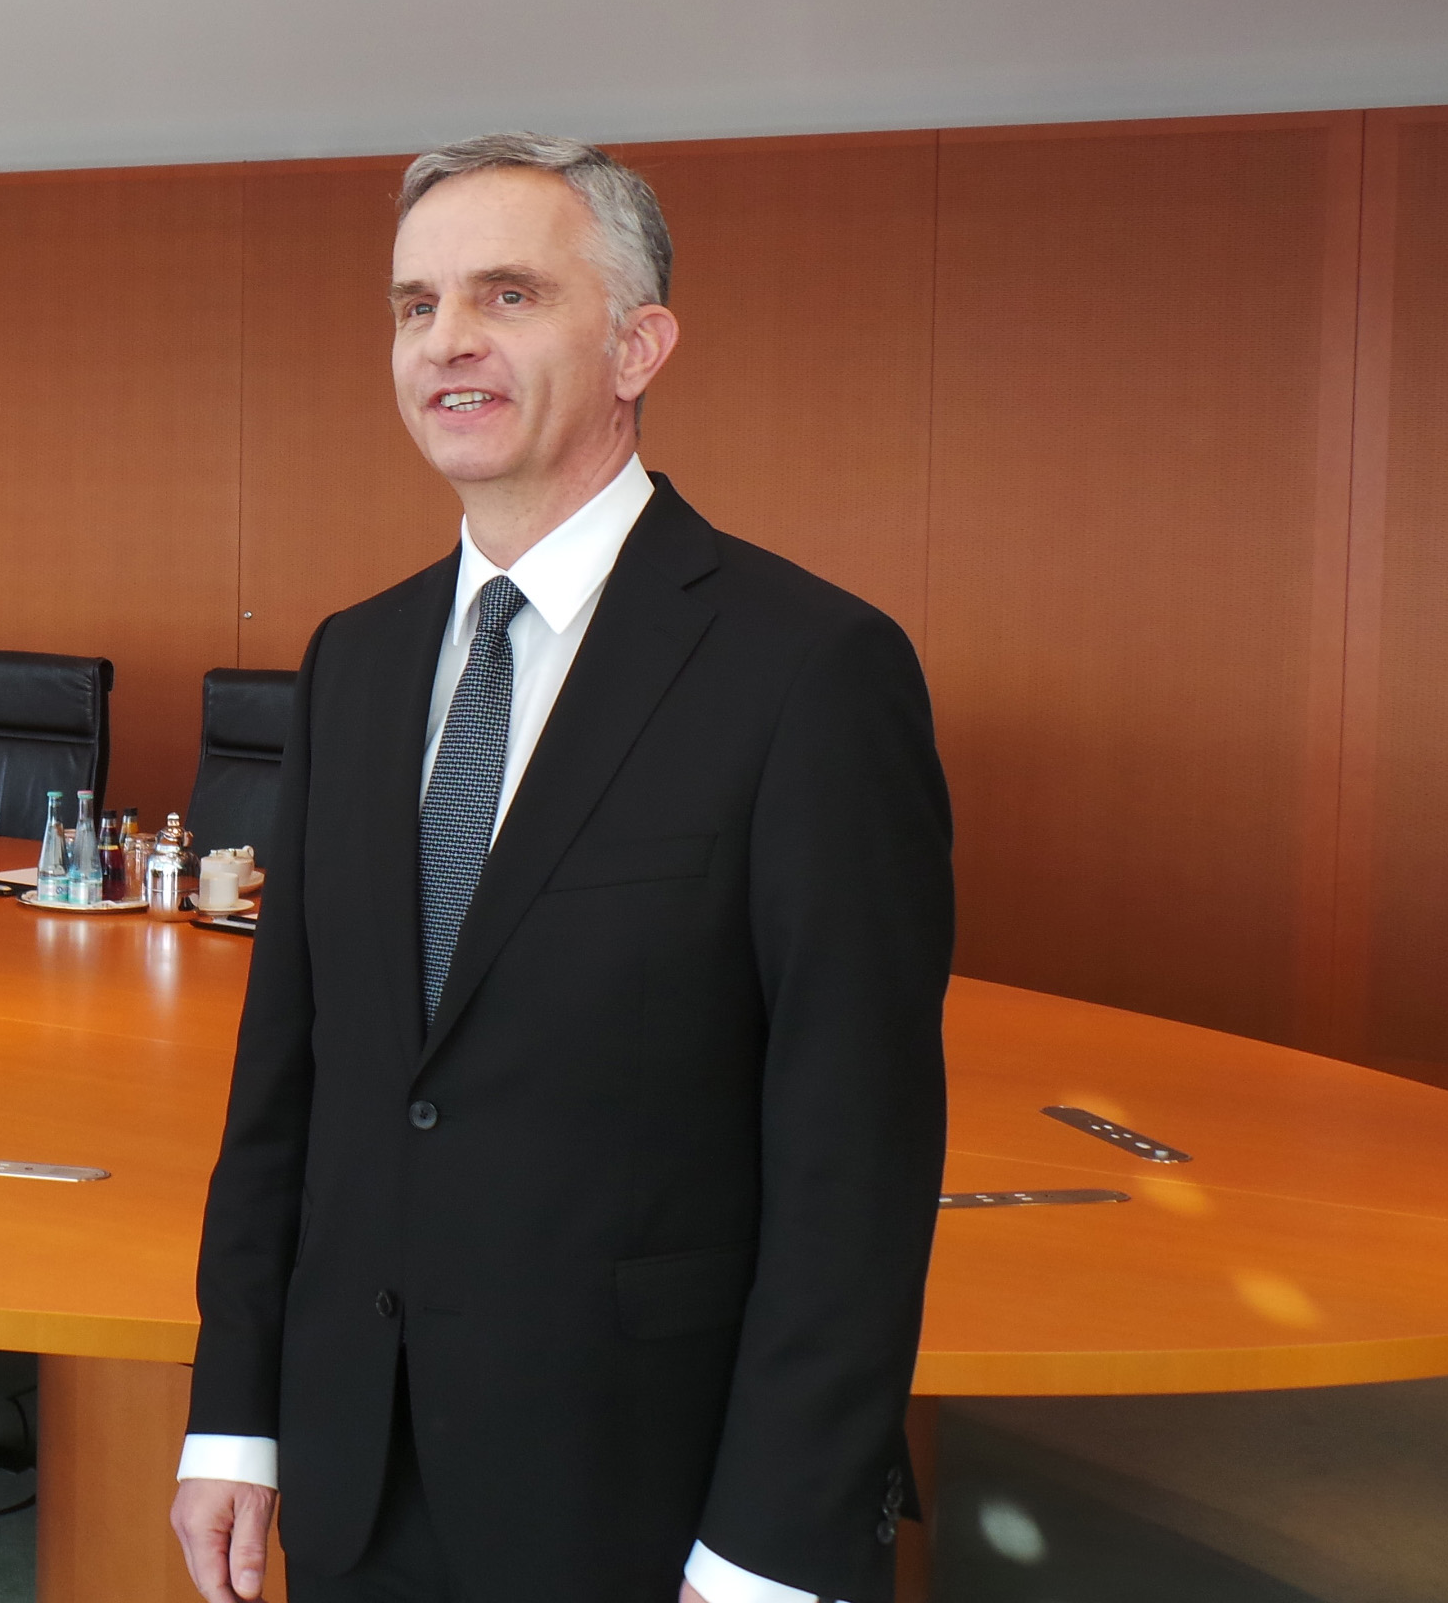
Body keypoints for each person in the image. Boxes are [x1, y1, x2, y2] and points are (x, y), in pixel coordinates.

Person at [172, 135, 952, 1603]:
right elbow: (294, 1078)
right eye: (415, 306)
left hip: (650, 1497)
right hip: (361, 1470)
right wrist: (239, 1414)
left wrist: (773, 1544)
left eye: (508, 295)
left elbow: (857, 1157)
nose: (446, 342)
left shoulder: (813, 672)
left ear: (639, 345)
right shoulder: (356, 658)